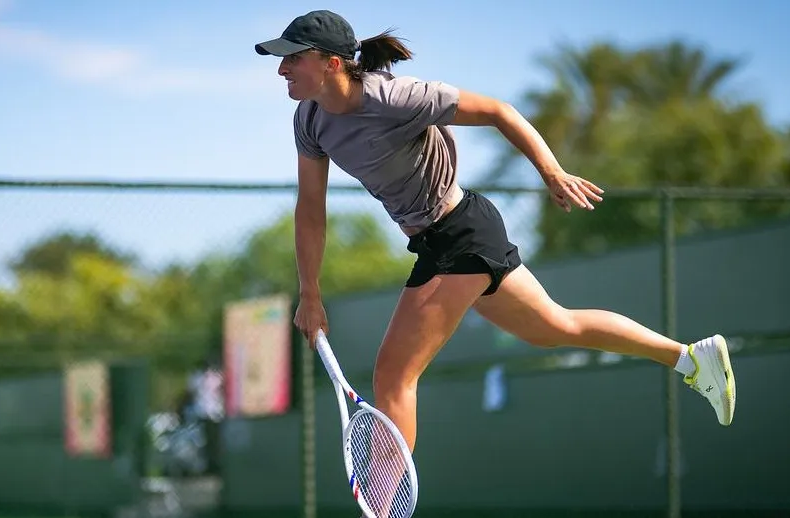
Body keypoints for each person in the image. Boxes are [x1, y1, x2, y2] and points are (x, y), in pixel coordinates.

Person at [254, 10, 737, 455]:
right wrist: (309, 294)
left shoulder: (396, 98)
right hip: (445, 238)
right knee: (554, 328)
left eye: (293, 58)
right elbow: (311, 210)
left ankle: (385, 502)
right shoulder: (310, 120)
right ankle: (691, 359)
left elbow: (499, 111)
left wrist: (552, 172)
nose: (282, 69)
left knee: (394, 375)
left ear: (332, 63)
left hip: (460, 234)